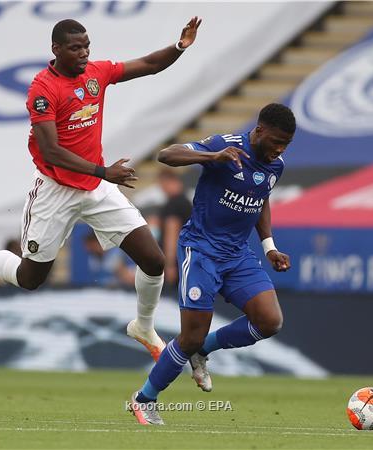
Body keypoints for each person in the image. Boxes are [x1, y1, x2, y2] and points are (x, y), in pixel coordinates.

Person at [0, 17, 202, 362]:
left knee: (154, 260)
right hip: (56, 190)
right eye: (75, 47)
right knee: (30, 278)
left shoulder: (96, 73)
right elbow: (51, 151)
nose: (84, 53)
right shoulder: (43, 89)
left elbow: (149, 64)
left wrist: (179, 46)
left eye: (86, 46)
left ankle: (143, 326)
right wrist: (104, 171)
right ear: (56, 49)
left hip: (95, 188)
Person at [129, 103, 295, 425]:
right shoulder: (224, 145)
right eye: (276, 141)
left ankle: (203, 349)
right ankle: (144, 398)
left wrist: (269, 247)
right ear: (260, 130)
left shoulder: (276, 165)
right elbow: (167, 155)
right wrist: (211, 157)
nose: (279, 149)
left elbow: (260, 198)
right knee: (188, 336)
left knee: (270, 321)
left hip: (238, 255)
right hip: (201, 252)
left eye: (286, 144)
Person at [157, 168, 192, 290]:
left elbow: (172, 233)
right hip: (186, 260)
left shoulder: (174, 203)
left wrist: (170, 264)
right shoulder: (186, 202)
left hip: (176, 263)